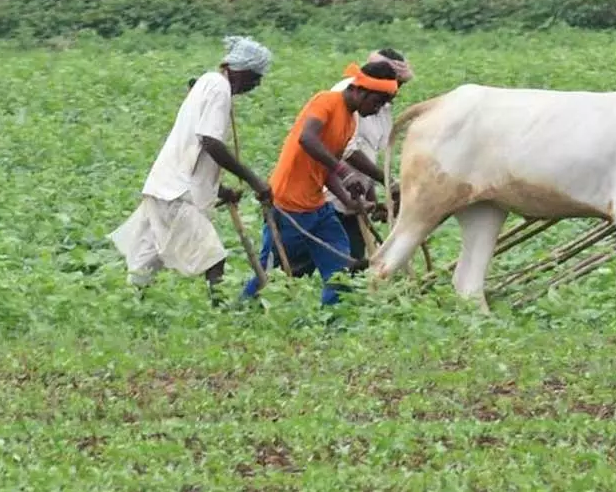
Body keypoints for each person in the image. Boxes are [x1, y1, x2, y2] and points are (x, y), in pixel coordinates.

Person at [110, 36, 273, 304]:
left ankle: (133, 308)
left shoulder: (208, 83)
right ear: (240, 70)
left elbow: (193, 150)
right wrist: (255, 181)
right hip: (176, 191)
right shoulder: (219, 88)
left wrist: (221, 190)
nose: (256, 85)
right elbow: (210, 142)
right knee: (214, 257)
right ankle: (220, 313)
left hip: (166, 183)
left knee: (146, 260)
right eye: (255, 77)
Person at [242, 59, 400, 306]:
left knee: (340, 268)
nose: (377, 109)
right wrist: (344, 171)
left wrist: (348, 198)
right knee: (271, 271)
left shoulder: (350, 121)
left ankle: (334, 321)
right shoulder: (326, 101)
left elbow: (326, 168)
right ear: (359, 90)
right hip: (287, 204)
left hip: (317, 206)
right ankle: (242, 309)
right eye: (376, 102)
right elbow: (307, 139)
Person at [281, 49, 413, 276]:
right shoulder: (343, 100)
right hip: (330, 194)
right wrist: (381, 180)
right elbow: (344, 152)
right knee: (315, 260)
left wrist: (372, 198)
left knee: (347, 262)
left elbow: (370, 152)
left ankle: (335, 300)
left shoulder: (379, 106)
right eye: (393, 84)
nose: (394, 92)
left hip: (352, 195)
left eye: (397, 87)